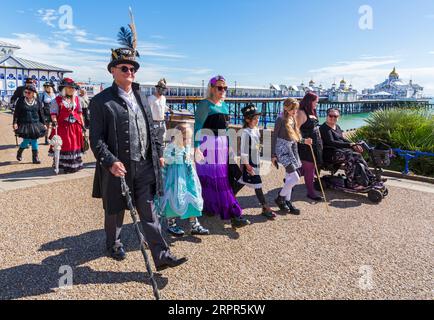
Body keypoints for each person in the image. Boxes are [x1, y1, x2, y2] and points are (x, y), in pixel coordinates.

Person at [89, 44, 187, 271]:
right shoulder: (100, 101)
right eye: (124, 68)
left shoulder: (142, 97)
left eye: (133, 69)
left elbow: (151, 129)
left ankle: (162, 256)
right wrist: (110, 161)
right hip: (119, 165)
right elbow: (96, 139)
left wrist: (159, 154)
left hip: (144, 164)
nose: (130, 72)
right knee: (115, 209)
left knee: (149, 210)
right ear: (112, 71)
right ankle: (113, 243)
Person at [194, 75, 250, 229]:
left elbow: (225, 130)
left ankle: (213, 208)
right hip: (207, 145)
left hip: (222, 145)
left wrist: (230, 147)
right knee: (212, 180)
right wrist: (196, 147)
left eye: (225, 88)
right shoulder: (204, 105)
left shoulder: (224, 105)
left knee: (223, 179)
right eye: (219, 87)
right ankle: (233, 214)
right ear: (212, 88)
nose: (223, 90)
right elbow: (197, 126)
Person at [160, 123, 210, 237]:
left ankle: (194, 224)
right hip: (174, 179)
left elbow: (189, 161)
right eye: (185, 138)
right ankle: (171, 223)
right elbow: (165, 165)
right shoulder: (170, 148)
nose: (188, 141)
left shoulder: (187, 147)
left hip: (188, 177)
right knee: (173, 197)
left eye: (189, 138)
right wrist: (162, 180)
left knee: (192, 196)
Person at [272, 98, 312, 215]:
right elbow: (274, 136)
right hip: (282, 150)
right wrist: (273, 155)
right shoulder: (280, 119)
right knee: (295, 177)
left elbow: (295, 136)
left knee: (289, 177)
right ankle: (280, 197)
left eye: (296, 108)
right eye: (292, 109)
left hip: (292, 150)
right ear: (285, 107)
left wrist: (305, 141)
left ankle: (287, 201)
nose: (295, 111)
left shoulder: (293, 118)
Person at [239, 103, 276, 219]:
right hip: (249, 163)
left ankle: (225, 202)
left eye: (258, 118)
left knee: (239, 184)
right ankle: (265, 207)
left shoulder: (255, 130)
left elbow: (256, 146)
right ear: (247, 119)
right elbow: (243, 151)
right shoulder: (245, 132)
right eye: (254, 118)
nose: (257, 120)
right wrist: (247, 165)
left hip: (255, 162)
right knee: (257, 185)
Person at [320, 108, 368, 189]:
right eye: (330, 115)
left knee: (357, 155)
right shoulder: (324, 128)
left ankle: (368, 177)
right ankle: (351, 182)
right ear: (327, 116)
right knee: (350, 156)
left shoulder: (337, 126)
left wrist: (354, 144)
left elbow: (342, 139)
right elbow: (331, 142)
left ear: (338, 117)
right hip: (330, 153)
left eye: (335, 116)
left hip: (339, 151)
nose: (333, 118)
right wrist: (350, 145)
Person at [48, 78, 85, 174]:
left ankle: (74, 165)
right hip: (63, 127)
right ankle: (64, 165)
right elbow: (53, 113)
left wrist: (82, 125)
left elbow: (80, 113)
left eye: (73, 88)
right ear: (64, 88)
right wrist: (54, 122)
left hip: (75, 127)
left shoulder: (77, 99)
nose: (72, 89)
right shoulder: (57, 100)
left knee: (75, 144)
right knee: (65, 145)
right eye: (69, 88)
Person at [296, 92, 324, 201]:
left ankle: (290, 180)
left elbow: (316, 128)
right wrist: (303, 141)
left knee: (306, 168)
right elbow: (294, 132)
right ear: (309, 101)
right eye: (315, 101)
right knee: (309, 169)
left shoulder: (312, 112)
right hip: (306, 146)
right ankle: (311, 192)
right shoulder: (301, 113)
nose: (317, 103)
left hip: (316, 145)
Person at [13, 84, 47, 164]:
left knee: (34, 140)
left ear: (33, 93)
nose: (27, 93)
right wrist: (14, 122)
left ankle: (35, 158)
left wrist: (44, 123)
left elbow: (41, 113)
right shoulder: (21, 100)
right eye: (26, 92)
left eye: (29, 92)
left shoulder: (37, 101)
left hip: (35, 123)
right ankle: (20, 151)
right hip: (25, 123)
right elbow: (16, 113)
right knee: (26, 141)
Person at [148, 79, 170, 145]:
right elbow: (148, 112)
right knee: (153, 141)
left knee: (162, 140)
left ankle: (160, 154)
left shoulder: (164, 98)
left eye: (164, 89)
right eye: (162, 89)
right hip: (154, 123)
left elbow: (163, 107)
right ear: (157, 89)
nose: (163, 91)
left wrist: (169, 109)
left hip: (162, 123)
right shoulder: (150, 98)